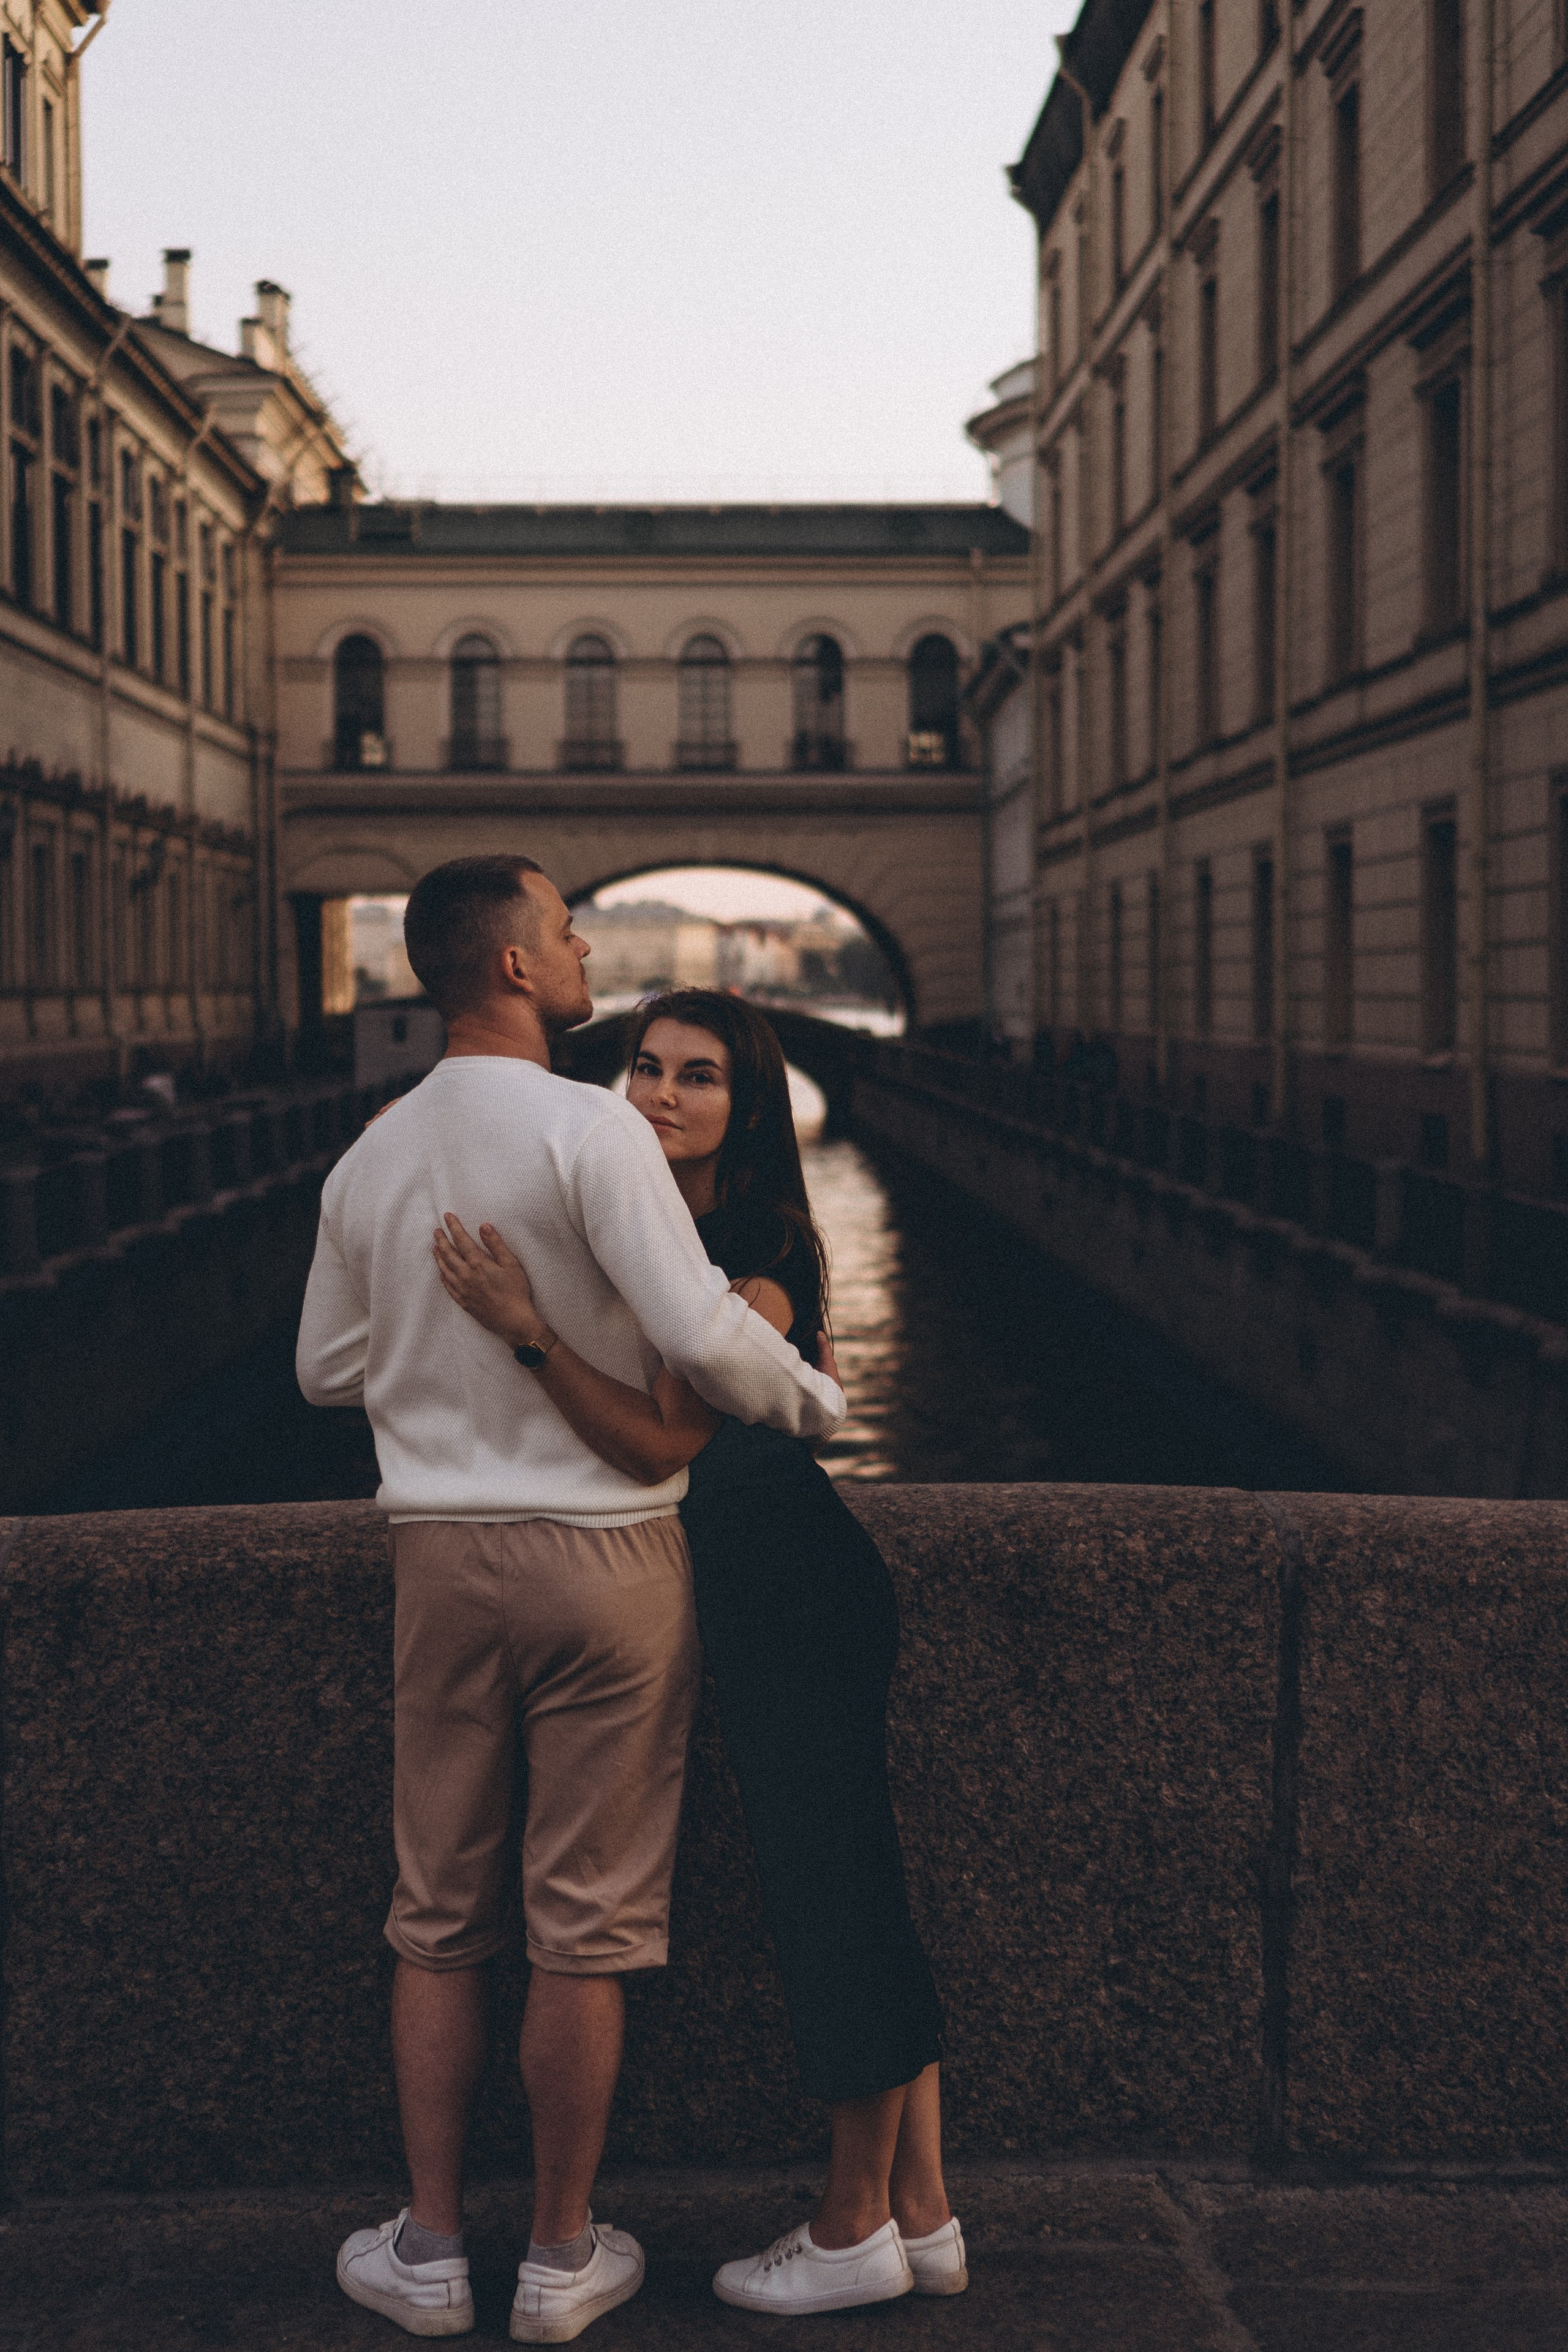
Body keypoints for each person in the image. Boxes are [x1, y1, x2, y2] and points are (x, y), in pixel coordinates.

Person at [296, 860, 845, 2344]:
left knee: (436, 1917)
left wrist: (440, 1360)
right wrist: (806, 1396)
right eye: (565, 929)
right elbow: (703, 1338)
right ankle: (554, 2257)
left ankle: (423, 2249)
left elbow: (323, 1372)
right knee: (584, 1928)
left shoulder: (373, 1152)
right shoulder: (594, 1130)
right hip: (608, 1559)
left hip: (439, 1559)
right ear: (521, 970)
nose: (584, 943)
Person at [431, 988, 967, 2320]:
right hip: (761, 1585)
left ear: (750, 1104)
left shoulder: (751, 1238)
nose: (661, 1094)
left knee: (831, 1898)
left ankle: (848, 2230)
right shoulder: (650, 1225)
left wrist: (525, 1327)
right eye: (644, 1068)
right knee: (860, 1883)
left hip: (788, 1587)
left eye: (699, 1076)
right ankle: (924, 2214)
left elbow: (661, 1439)